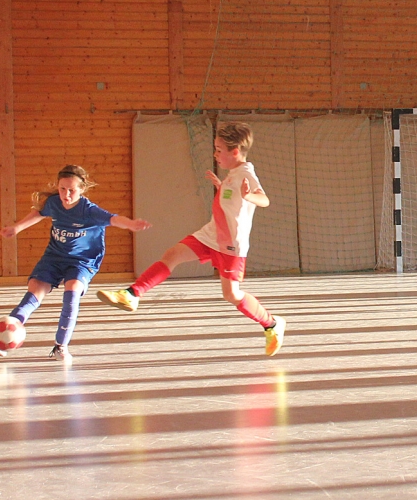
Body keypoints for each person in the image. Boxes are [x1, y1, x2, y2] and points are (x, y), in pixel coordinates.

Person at [96, 122, 287, 356]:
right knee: (172, 255)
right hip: (210, 235)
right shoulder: (232, 175)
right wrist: (221, 187)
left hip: (230, 244)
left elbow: (264, 199)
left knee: (232, 294)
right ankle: (132, 294)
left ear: (235, 152)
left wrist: (249, 196)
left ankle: (272, 324)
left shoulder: (246, 172)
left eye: (219, 150)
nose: (215, 154)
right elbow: (231, 202)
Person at [0, 165, 151, 362]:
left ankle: (61, 346)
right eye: (62, 189)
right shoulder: (54, 203)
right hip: (54, 257)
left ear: (82, 189)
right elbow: (39, 213)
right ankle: (5, 337)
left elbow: (114, 219)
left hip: (82, 261)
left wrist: (131, 224)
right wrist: (16, 228)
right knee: (34, 290)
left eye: (71, 190)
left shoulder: (89, 211)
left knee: (72, 290)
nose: (66, 195)